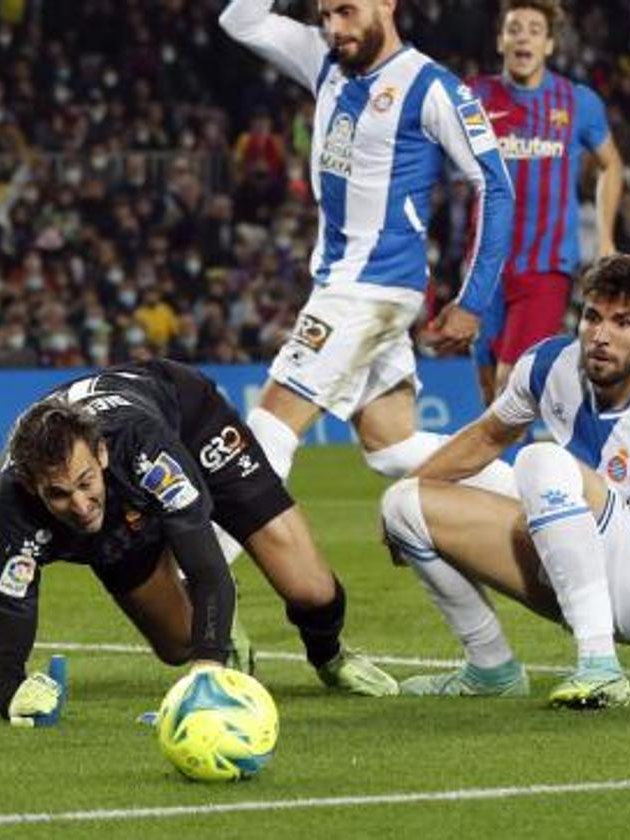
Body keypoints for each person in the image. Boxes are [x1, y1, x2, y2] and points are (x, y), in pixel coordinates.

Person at [384, 254, 630, 706]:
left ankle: (601, 669)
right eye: (593, 317)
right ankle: (491, 668)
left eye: (623, 323)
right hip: (583, 546)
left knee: (541, 461)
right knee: (404, 503)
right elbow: (485, 437)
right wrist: (406, 508)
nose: (600, 335)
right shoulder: (547, 366)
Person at [0, 359, 398, 726]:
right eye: (59, 494)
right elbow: (1, 651)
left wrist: (208, 672)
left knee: (312, 590)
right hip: (127, 496)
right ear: (33, 488)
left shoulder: (144, 448)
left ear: (101, 455)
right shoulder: (10, 512)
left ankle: (329, 657)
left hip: (191, 423)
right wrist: (14, 694)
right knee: (178, 643)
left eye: (85, 483)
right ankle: (199, 588)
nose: (80, 504)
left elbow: (207, 567)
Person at [219, 0, 513, 496]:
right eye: (326, 14)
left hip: (370, 288)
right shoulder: (325, 60)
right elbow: (239, 20)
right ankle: (555, 496)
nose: (335, 28)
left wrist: (474, 299)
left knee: (268, 429)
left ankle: (199, 577)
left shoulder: (432, 87)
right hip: (349, 284)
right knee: (392, 447)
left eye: (347, 11)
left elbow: (496, 187)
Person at [469, 0, 624, 405]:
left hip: (545, 266)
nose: (523, 36)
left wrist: (605, 237)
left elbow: (612, 165)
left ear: (550, 45)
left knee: (510, 381)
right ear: (501, 40)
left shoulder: (577, 103)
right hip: (484, 267)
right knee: (490, 388)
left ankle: (524, 463)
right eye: (514, 28)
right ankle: (521, 464)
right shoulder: (471, 97)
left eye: (535, 30)